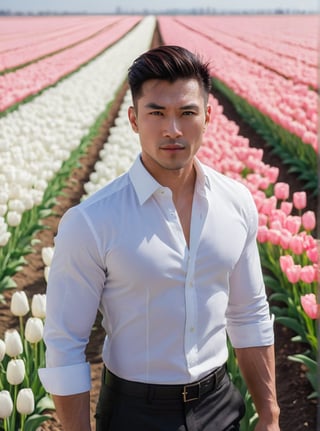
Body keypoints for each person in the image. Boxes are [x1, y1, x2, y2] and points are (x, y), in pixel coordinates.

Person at [39, 45, 280, 431]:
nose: (173, 129)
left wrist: (269, 416)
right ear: (134, 119)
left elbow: (249, 313)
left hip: (220, 405)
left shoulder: (235, 204)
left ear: (208, 117)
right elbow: (66, 343)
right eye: (156, 113)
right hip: (135, 412)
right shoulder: (92, 221)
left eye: (187, 113)